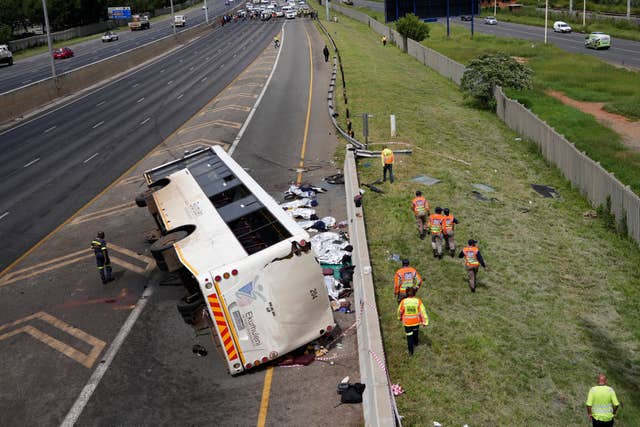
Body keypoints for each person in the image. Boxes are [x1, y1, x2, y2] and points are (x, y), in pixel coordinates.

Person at [396, 287, 428, 356]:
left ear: (406, 293)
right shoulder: (418, 301)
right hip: (416, 322)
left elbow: (399, 311)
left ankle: (411, 352)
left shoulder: (403, 302)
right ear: (415, 293)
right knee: (415, 332)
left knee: (409, 336)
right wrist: (425, 322)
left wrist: (399, 317)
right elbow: (423, 311)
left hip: (407, 323)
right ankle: (416, 343)